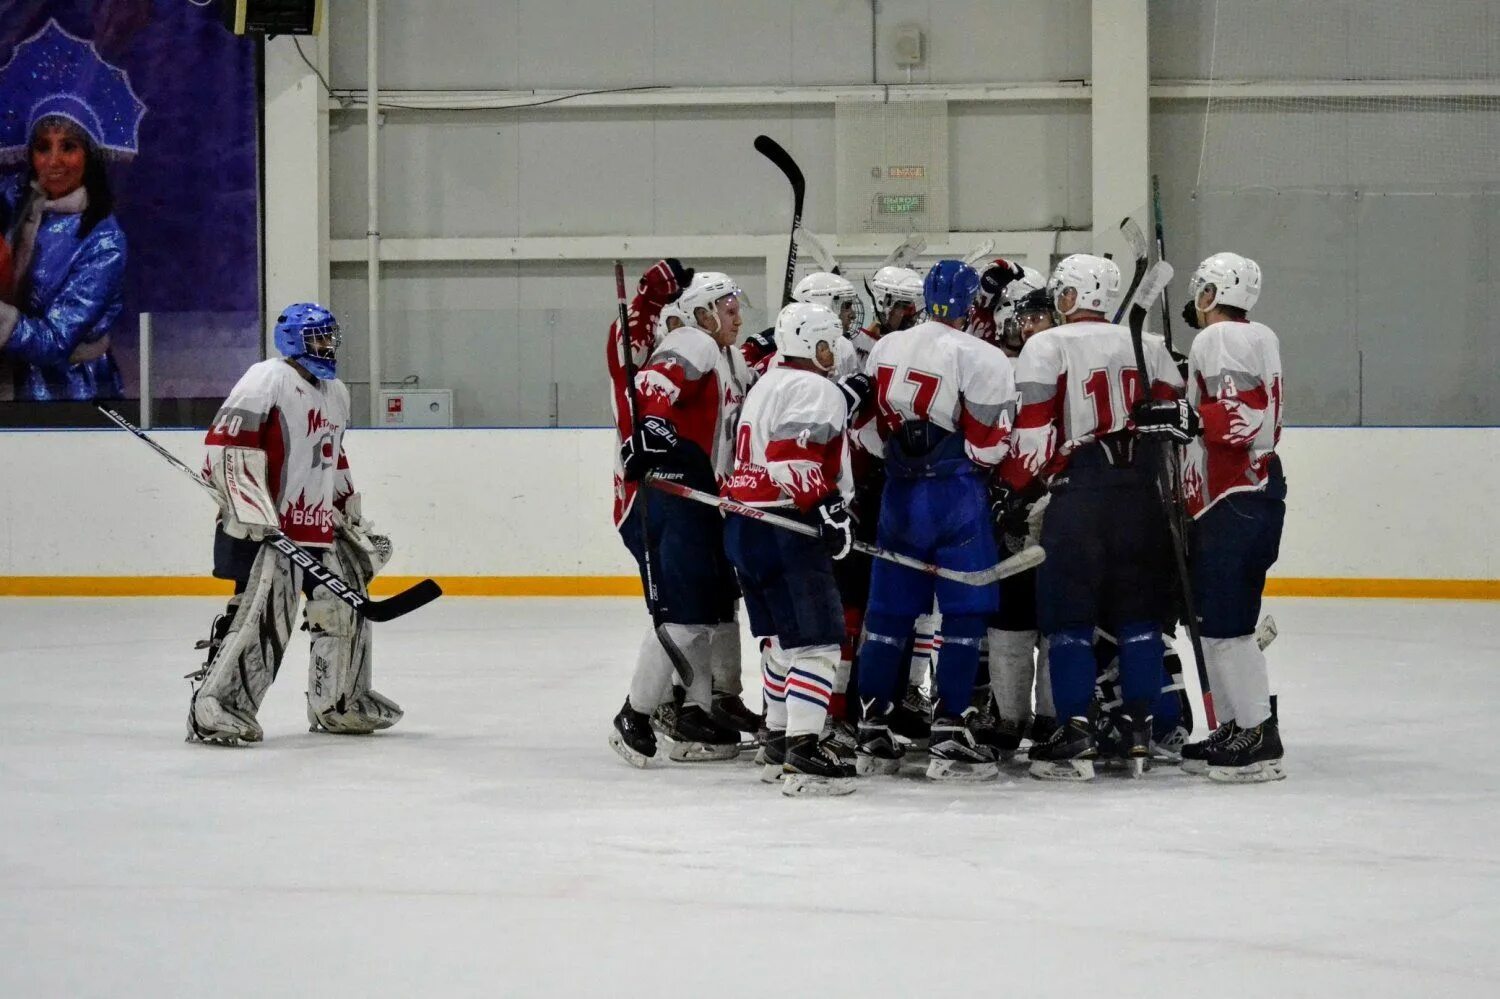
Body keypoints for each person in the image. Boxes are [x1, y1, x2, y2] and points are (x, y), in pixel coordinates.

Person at [1001, 254, 1183, 781]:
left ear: (1069, 296)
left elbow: (1032, 438)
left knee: (1069, 618)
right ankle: (1140, 730)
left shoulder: (1048, 345)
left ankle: (1076, 728)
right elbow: (1172, 425)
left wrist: (1013, 492)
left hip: (1080, 495)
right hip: (1142, 497)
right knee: (1138, 617)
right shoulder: (1149, 346)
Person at [186, 303, 401, 744]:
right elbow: (223, 449)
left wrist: (349, 513)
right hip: (268, 529)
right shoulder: (266, 377)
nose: (327, 346)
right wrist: (249, 508)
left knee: (346, 606)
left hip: (319, 526)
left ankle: (340, 702)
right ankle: (217, 707)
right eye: (318, 339)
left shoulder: (336, 391)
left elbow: (333, 455)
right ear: (293, 342)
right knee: (264, 618)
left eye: (330, 338)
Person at [854, 259, 1018, 781]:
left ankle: (872, 728)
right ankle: (950, 728)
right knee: (965, 611)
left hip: (899, 495)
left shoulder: (885, 347)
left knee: (888, 614)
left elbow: (867, 429)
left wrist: (903, 460)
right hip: (955, 496)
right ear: (972, 304)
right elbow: (989, 445)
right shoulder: (983, 354)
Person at [1134, 251, 1287, 782]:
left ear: (1211, 293)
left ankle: (1257, 734)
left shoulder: (1221, 338)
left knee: (1226, 626)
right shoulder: (1253, 337)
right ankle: (1235, 727)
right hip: (1247, 495)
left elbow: (1244, 417)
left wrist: (1187, 413)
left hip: (1233, 497)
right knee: (1221, 623)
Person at [608, 272, 753, 767]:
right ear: (702, 313)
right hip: (671, 494)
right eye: (727, 307)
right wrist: (651, 425)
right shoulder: (692, 340)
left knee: (714, 611)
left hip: (703, 498)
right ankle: (636, 713)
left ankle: (696, 710)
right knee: (686, 613)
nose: (737, 315)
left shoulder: (727, 356)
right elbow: (652, 384)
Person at [723, 301, 858, 795]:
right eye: (831, 341)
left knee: (781, 642)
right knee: (819, 643)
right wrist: (828, 508)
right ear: (816, 344)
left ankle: (778, 743)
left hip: (745, 523)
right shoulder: (815, 387)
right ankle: (804, 751)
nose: (836, 350)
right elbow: (791, 454)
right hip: (787, 524)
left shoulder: (767, 384)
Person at [0, 115, 126, 401]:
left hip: (66, 394)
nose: (53, 161)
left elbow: (55, 341)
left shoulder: (105, 242)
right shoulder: (18, 197)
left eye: (68, 147)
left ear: (90, 155)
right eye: (43, 147)